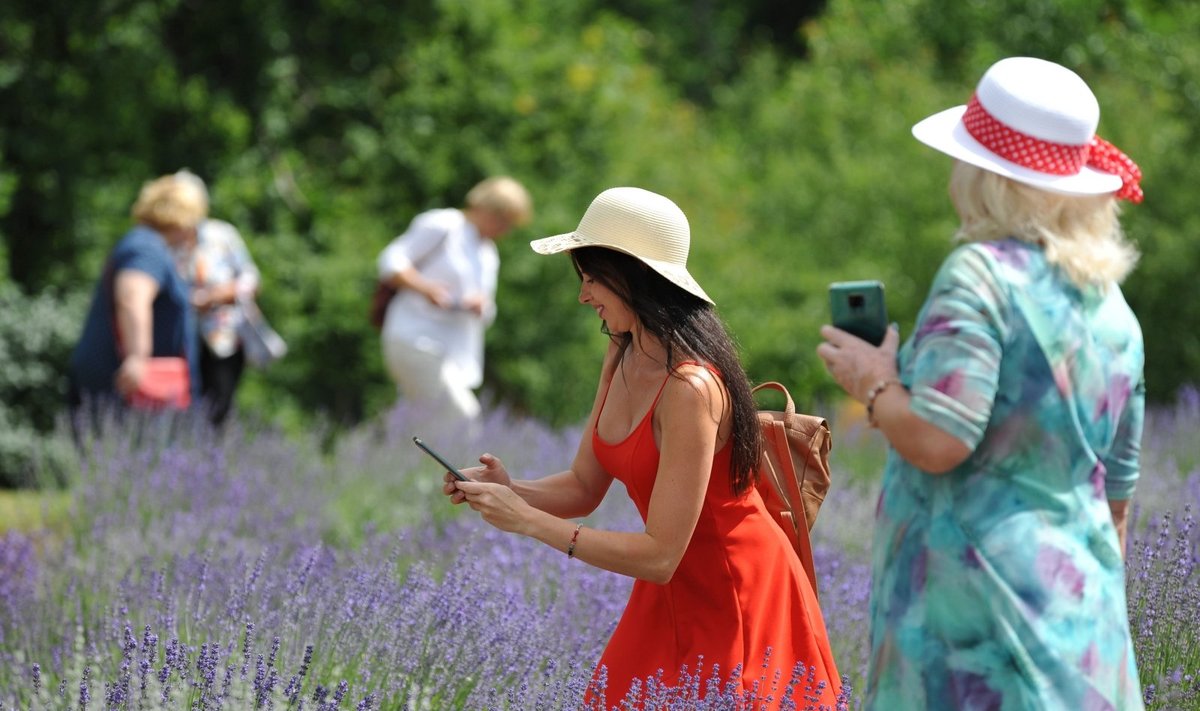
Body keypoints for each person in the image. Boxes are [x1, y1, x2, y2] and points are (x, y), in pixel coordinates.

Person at [817, 57, 1145, 708]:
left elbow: (940, 439)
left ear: (987, 178)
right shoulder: (1112, 307)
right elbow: (1118, 498)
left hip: (977, 632)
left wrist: (874, 381)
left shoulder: (980, 275)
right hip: (1081, 633)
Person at [442, 187, 841, 705]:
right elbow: (584, 485)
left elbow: (660, 554)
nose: (583, 295)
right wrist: (508, 488)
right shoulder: (621, 353)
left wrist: (524, 519)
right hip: (667, 590)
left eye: (590, 278)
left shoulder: (690, 388)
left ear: (631, 276)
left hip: (735, 594)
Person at [377, 176, 532, 423]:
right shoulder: (443, 225)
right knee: (462, 418)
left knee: (424, 425)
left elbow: (488, 311)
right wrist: (426, 289)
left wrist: (480, 306)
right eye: (503, 220)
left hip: (454, 353)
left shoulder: (488, 253)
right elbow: (390, 262)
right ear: (487, 209)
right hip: (416, 339)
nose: (505, 230)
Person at [68, 174, 206, 420]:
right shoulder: (146, 248)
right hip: (128, 387)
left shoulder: (143, 243)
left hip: (124, 384)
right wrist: (137, 358)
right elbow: (132, 297)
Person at [174, 170, 263, 427]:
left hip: (223, 336)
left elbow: (251, 278)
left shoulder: (222, 235)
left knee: (220, 408)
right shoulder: (169, 241)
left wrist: (215, 295)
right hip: (180, 338)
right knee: (184, 409)